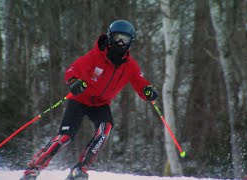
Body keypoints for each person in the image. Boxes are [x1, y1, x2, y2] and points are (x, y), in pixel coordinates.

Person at [20, 20, 158, 180]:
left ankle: (80, 169)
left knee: (105, 128)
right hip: (80, 99)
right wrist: (74, 82)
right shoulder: (95, 57)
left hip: (100, 104)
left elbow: (139, 82)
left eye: (125, 39)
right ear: (110, 38)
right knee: (65, 136)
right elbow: (73, 69)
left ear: (130, 43)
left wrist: (147, 90)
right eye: (117, 38)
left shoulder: (130, 66)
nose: (120, 43)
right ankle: (32, 169)